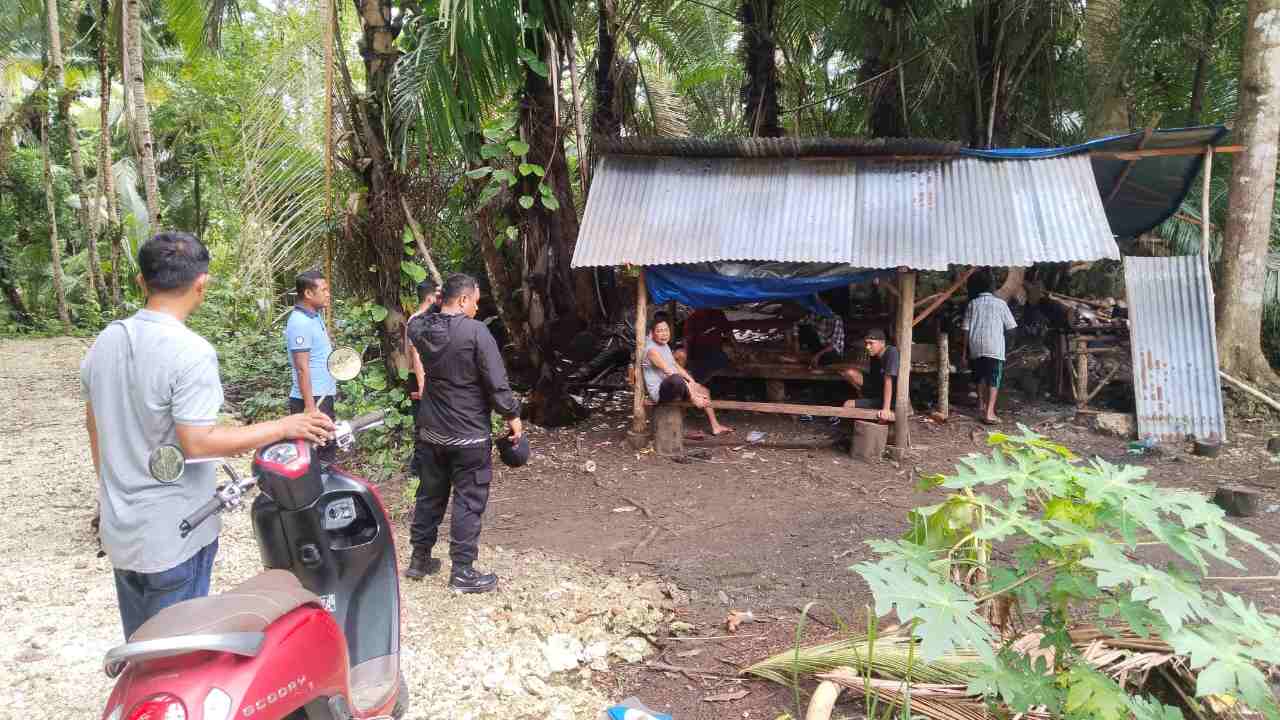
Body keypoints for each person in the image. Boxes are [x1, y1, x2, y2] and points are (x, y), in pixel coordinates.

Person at [81, 232, 334, 639]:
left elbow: (95, 427)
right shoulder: (190, 350)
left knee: (141, 645)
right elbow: (197, 441)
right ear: (201, 284)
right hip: (173, 532)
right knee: (177, 652)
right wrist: (284, 426)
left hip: (121, 529)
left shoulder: (105, 341)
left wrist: (112, 490)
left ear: (142, 282)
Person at [405, 273, 522, 592]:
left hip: (431, 433)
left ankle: (419, 559)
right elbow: (496, 381)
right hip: (468, 435)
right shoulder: (477, 333)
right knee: (469, 501)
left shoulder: (423, 329)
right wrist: (512, 415)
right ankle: (462, 571)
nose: (476, 307)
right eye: (475, 301)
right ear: (463, 300)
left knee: (430, 495)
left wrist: (433, 304)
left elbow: (414, 321)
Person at [642, 317, 733, 436]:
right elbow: (671, 373)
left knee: (704, 390)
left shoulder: (664, 346)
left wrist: (692, 382)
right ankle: (694, 398)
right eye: (659, 331)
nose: (664, 334)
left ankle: (716, 426)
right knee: (676, 379)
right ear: (652, 333)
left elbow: (675, 365)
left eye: (666, 330)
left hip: (673, 386)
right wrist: (693, 395)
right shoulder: (651, 351)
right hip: (660, 393)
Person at [285, 270, 338, 462]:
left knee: (325, 447)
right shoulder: (300, 322)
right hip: (312, 399)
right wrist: (309, 408)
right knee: (315, 454)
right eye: (323, 290)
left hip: (322, 395)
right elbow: (302, 367)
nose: (328, 293)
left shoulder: (314, 316)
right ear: (308, 293)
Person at [960, 271, 1018, 425]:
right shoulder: (1001, 304)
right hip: (995, 347)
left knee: (979, 376)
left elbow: (965, 329)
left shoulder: (972, 304)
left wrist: (964, 352)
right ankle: (989, 413)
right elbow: (1012, 327)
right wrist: (1009, 343)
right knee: (994, 378)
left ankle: (980, 404)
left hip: (976, 346)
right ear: (992, 287)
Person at [404, 279, 439, 476]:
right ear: (430, 298)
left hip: (428, 376)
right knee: (421, 421)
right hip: (419, 377)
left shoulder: (430, 318)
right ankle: (418, 467)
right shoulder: (416, 321)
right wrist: (422, 384)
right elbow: (416, 356)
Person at [843, 329, 901, 422]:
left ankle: (868, 416)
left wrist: (886, 410)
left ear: (882, 343)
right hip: (877, 390)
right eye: (866, 343)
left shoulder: (891, 352)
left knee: (847, 405)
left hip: (889, 399)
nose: (867, 347)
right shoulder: (874, 355)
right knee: (849, 373)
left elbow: (888, 381)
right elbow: (873, 378)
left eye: (871, 343)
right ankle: (865, 401)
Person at [682, 307, 735, 382]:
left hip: (715, 351)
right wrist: (688, 356)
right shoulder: (693, 318)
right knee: (700, 376)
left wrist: (736, 345)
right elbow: (687, 339)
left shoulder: (718, 314)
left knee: (725, 367)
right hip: (699, 352)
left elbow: (727, 331)